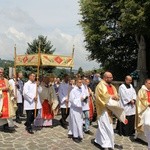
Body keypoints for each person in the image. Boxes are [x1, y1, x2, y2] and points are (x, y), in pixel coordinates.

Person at [94, 71, 123, 150]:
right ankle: (105, 144)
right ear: (105, 78)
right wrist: (111, 97)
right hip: (103, 110)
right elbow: (101, 97)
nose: (111, 79)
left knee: (108, 127)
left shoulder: (112, 86)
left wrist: (117, 97)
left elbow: (115, 94)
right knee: (104, 126)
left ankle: (104, 141)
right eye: (110, 77)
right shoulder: (100, 86)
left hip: (110, 109)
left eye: (112, 77)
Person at [68, 78, 85, 143]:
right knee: (75, 122)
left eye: (81, 82)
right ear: (76, 83)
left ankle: (79, 134)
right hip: (75, 109)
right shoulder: (73, 91)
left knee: (80, 122)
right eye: (79, 82)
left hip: (79, 109)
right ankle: (75, 136)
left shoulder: (81, 89)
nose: (81, 84)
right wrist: (80, 100)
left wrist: (84, 99)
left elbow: (83, 96)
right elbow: (72, 100)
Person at [0, 67, 16, 132]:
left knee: (7, 113)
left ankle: (6, 126)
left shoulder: (6, 80)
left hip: (6, 98)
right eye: (0, 72)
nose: (1, 74)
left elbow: (10, 88)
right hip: (0, 98)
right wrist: (2, 89)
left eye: (2, 72)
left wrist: (11, 91)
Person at [135, 78, 150, 148]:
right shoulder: (142, 91)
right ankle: (143, 138)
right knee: (146, 124)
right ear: (146, 83)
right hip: (145, 110)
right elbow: (140, 100)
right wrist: (148, 103)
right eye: (149, 83)